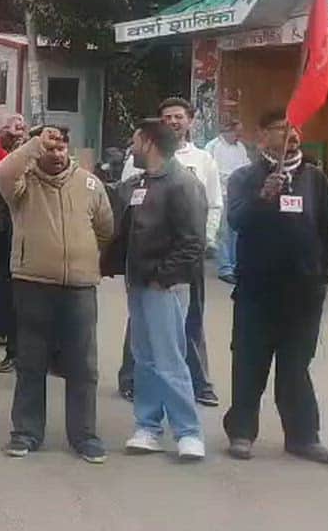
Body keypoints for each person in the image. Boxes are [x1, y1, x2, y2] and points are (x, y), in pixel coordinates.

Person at [0, 126, 114, 463]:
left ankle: (84, 435)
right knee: (31, 363)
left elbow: (105, 229)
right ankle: (26, 432)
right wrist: (34, 144)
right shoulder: (22, 184)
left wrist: (82, 258)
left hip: (80, 287)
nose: (57, 154)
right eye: (50, 148)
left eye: (62, 148)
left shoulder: (89, 184)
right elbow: (1, 173)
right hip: (33, 284)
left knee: (83, 365)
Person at [222, 111, 328, 465]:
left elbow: (326, 231)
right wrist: (263, 197)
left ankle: (303, 437)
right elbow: (236, 220)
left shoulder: (315, 178)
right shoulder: (245, 177)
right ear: (262, 135)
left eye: (296, 127)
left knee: (295, 366)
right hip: (257, 291)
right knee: (249, 363)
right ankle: (242, 432)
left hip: (303, 294)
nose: (292, 134)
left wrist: (321, 278)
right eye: (282, 128)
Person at [111, 119, 208, 460]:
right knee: (145, 358)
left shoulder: (183, 183)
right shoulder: (140, 182)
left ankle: (188, 432)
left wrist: (163, 277)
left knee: (169, 359)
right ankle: (148, 427)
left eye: (135, 141)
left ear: (149, 143)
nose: (131, 148)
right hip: (138, 282)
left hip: (165, 286)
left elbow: (193, 241)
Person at [119, 97, 220, 407]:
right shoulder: (138, 160)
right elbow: (126, 200)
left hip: (187, 253)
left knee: (190, 319)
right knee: (142, 327)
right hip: (147, 259)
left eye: (179, 116)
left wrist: (205, 240)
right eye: (167, 117)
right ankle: (131, 379)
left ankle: (198, 383)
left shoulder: (202, 160)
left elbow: (214, 203)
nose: (174, 122)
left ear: (190, 121)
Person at [0, 113, 27, 372]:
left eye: (22, 127)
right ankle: (1, 331)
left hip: (24, 232)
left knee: (20, 293)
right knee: (2, 285)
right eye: (13, 127)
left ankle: (19, 349)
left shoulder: (29, 156)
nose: (18, 131)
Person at [204, 119, 251, 284]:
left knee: (236, 230)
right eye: (237, 132)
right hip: (221, 193)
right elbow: (210, 171)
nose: (239, 136)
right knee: (223, 232)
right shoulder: (213, 147)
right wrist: (233, 177)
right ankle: (225, 268)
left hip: (238, 194)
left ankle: (236, 265)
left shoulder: (240, 147)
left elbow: (246, 165)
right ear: (228, 131)